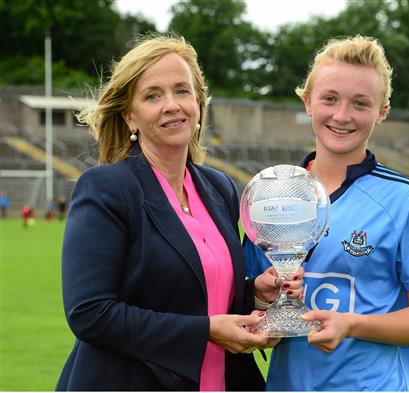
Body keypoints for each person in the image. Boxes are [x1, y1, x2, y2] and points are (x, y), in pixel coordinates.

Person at [56, 34, 302, 391]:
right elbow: (90, 314)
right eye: (153, 95)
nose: (172, 104)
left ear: (198, 104)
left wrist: (257, 296)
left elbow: (197, 292)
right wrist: (206, 332)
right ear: (130, 116)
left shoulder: (219, 188)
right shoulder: (106, 188)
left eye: (182, 91)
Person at [244, 35, 409, 391]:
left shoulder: (406, 200)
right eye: (329, 99)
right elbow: (254, 311)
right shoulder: (267, 197)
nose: (342, 116)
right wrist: (261, 301)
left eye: (360, 103)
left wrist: (352, 324)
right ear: (307, 101)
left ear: (382, 112)